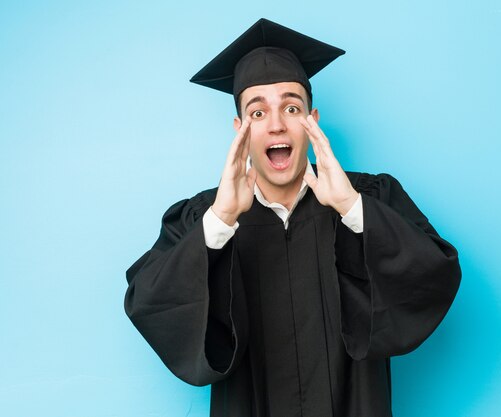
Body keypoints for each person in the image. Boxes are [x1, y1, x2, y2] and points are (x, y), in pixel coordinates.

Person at [125, 18, 461, 417]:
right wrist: (221, 220)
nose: (277, 123)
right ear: (239, 130)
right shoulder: (205, 214)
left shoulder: (369, 197)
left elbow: (433, 274)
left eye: (290, 106)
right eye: (257, 113)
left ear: (311, 121)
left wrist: (351, 209)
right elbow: (148, 300)